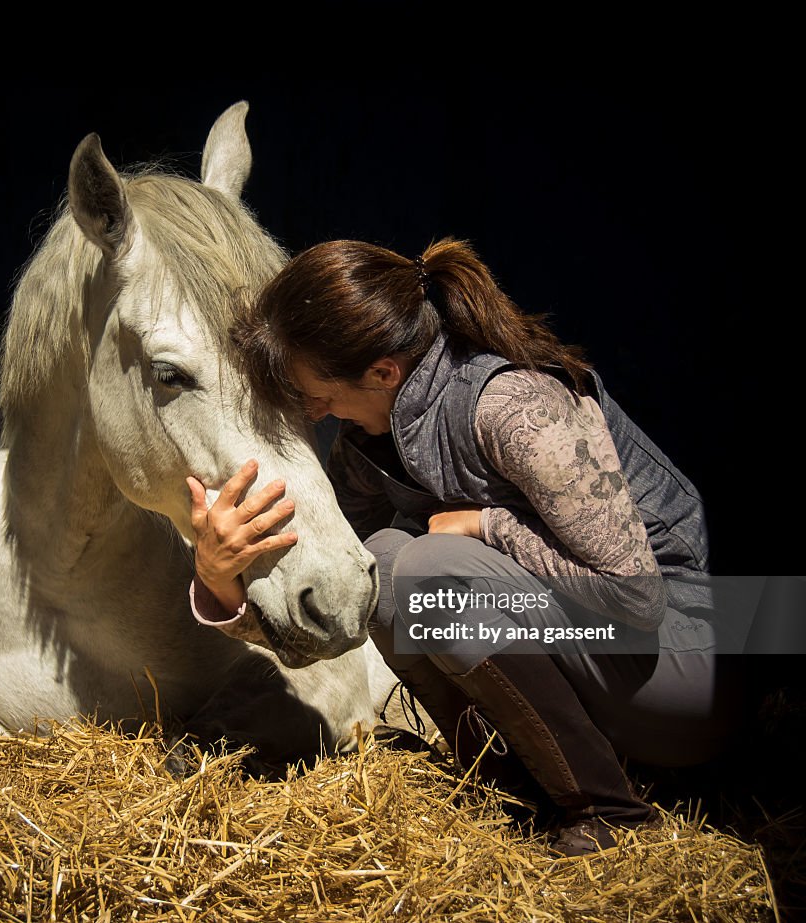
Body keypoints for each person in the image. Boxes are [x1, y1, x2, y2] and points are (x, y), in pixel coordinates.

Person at [185, 237, 743, 856]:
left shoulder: (513, 405)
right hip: (597, 663)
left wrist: (486, 526)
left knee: (425, 568)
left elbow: (637, 596)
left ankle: (609, 813)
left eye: (311, 388)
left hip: (686, 664)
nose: (307, 407)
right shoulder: (367, 444)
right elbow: (342, 603)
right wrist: (219, 579)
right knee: (389, 567)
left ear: (383, 372)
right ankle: (518, 800)